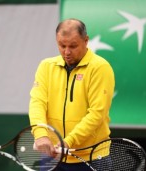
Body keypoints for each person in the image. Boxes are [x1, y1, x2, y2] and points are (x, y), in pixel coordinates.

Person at [29, 18, 115, 170]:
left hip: (92, 158)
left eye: (73, 46)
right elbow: (37, 102)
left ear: (86, 40)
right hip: (53, 157)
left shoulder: (100, 67)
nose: (66, 52)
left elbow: (97, 113)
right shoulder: (46, 66)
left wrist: (68, 141)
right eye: (62, 45)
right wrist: (40, 134)